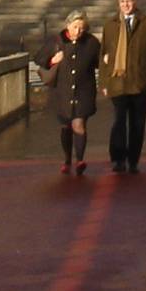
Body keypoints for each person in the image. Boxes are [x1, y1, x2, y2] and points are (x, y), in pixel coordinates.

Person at [98, 0, 146, 173]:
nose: (126, 5)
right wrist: (103, 82)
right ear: (118, 3)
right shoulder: (110, 25)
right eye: (122, 2)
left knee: (137, 123)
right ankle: (118, 158)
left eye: (129, 1)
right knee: (119, 121)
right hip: (117, 81)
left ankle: (133, 159)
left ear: (135, 1)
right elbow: (104, 55)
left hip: (139, 81)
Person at [42, 9, 103, 175]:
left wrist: (106, 61)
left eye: (82, 28)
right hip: (62, 91)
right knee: (66, 126)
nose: (78, 31)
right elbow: (40, 59)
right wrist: (52, 60)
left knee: (79, 124)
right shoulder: (56, 41)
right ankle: (67, 158)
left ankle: (80, 160)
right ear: (68, 25)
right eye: (75, 27)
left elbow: (100, 63)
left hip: (83, 91)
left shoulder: (91, 43)